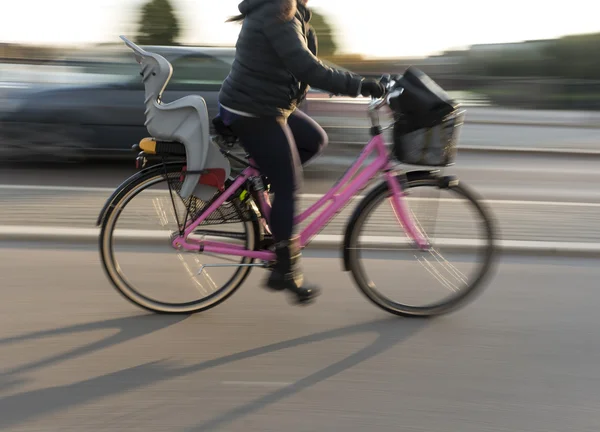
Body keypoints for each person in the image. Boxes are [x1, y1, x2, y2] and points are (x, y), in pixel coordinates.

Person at [217, 0, 386, 304]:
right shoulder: (278, 10)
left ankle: (261, 198)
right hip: (254, 109)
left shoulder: (289, 9)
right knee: (289, 185)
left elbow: (303, 64)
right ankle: (284, 268)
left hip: (266, 104)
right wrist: (359, 86)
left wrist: (347, 82)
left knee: (314, 140)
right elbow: (305, 65)